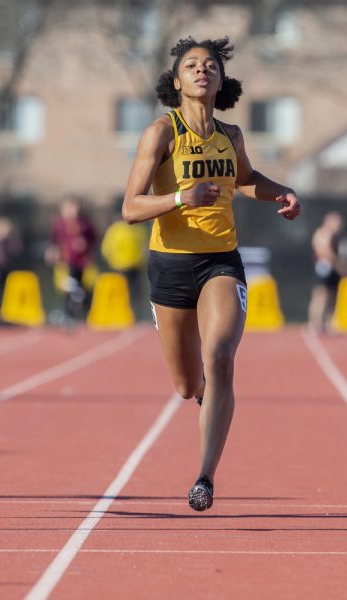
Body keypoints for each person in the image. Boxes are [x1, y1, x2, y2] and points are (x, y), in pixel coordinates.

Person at [122, 37, 301, 511]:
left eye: (211, 66)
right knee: (186, 385)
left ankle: (204, 477)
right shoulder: (162, 132)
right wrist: (181, 197)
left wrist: (281, 190)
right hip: (169, 264)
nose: (202, 71)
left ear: (222, 80)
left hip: (221, 259)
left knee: (220, 356)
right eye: (192, 66)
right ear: (176, 80)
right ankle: (203, 397)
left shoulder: (231, 135)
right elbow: (130, 208)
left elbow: (244, 179)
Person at [45, 195, 98, 323]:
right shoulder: (59, 224)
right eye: (69, 208)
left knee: (83, 290)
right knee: (69, 289)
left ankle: (85, 315)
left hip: (82, 262)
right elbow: (53, 241)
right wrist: (52, 252)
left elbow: (94, 238)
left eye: (75, 207)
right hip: (65, 262)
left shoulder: (84, 223)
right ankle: (70, 316)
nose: (72, 211)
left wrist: (85, 244)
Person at [100, 214, 147, 318]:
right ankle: (135, 315)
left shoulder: (114, 229)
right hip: (134, 265)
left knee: (120, 292)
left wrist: (110, 260)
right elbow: (144, 247)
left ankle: (121, 314)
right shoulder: (137, 228)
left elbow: (106, 249)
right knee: (134, 293)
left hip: (119, 266)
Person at [307, 211, 345, 334]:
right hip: (325, 269)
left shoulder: (337, 236)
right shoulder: (321, 233)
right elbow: (324, 252)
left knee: (332, 297)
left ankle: (328, 322)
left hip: (334, 270)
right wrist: (339, 265)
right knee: (320, 296)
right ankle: (315, 323)